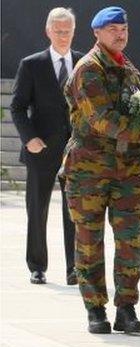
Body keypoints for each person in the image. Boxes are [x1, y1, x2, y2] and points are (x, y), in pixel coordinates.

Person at [62, 6, 140, 335]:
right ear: (97, 33)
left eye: (124, 28)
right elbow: (103, 121)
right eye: (113, 28)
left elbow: (139, 111)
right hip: (89, 169)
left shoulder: (128, 69)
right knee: (89, 240)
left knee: (131, 239)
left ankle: (126, 308)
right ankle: (95, 308)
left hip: (127, 170)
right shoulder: (89, 69)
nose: (121, 33)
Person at [10, 7, 81, 286]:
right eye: (58, 30)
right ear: (48, 31)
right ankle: (37, 266)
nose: (63, 36)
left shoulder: (84, 62)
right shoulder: (31, 64)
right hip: (41, 149)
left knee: (73, 210)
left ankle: (74, 268)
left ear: (74, 31)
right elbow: (17, 107)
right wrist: (29, 138)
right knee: (36, 210)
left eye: (67, 31)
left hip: (76, 150)